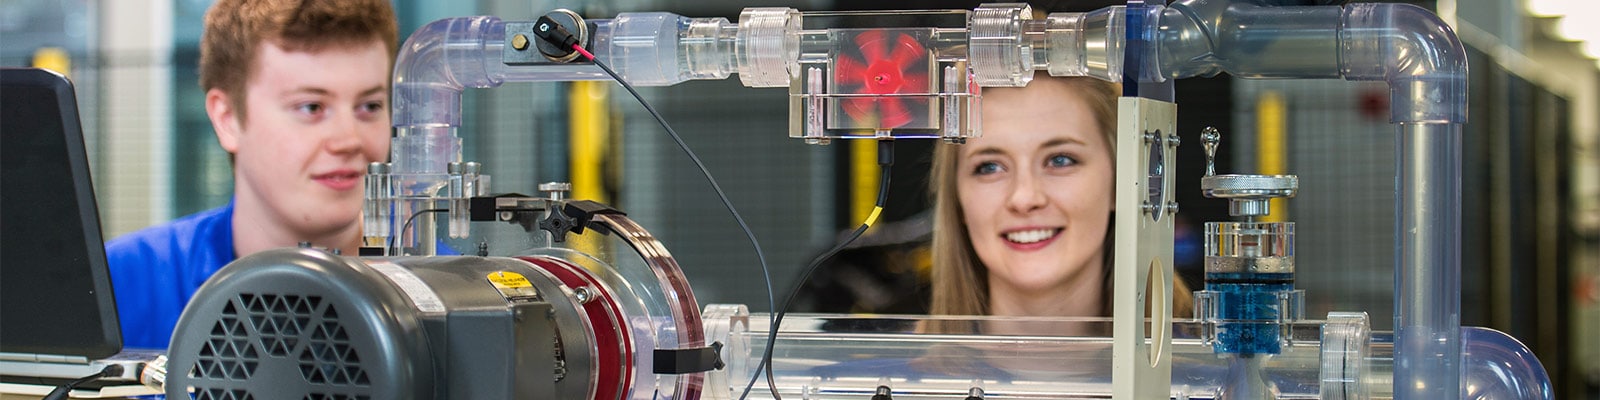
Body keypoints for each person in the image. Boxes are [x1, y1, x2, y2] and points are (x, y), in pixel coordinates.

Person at [105, 0, 398, 348]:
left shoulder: (450, 295)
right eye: (311, 107)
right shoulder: (121, 286)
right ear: (227, 117)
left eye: (370, 106)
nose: (350, 140)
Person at [928, 73, 1194, 319]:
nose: (1024, 198)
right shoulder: (892, 369)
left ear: (1121, 183)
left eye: (1060, 160)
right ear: (958, 199)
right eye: (989, 167)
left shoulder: (1213, 368)